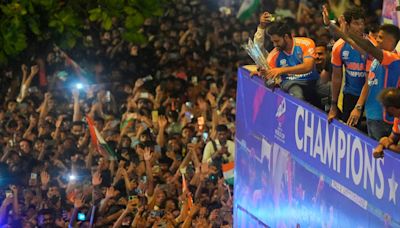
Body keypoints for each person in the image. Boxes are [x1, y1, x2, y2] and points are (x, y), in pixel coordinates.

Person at [323, 6, 400, 140]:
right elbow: (354, 43)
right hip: (373, 116)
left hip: (384, 119)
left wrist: (358, 107)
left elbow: (368, 47)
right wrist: (332, 26)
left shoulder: (393, 59)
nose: (378, 40)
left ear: (392, 41)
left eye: (381, 37)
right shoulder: (376, 57)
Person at [254, 12, 320, 105]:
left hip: (313, 80)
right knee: (297, 96)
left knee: (328, 90)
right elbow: (270, 84)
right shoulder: (273, 56)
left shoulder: (306, 43)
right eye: (273, 42)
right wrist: (266, 77)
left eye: (277, 41)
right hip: (291, 83)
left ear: (286, 37)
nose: (275, 45)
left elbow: (308, 66)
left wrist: (281, 70)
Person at [326, 6, 374, 130]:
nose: (360, 27)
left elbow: (369, 81)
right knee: (347, 131)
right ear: (347, 24)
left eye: (362, 23)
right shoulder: (339, 46)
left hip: (371, 96)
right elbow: (337, 77)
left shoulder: (371, 45)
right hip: (350, 94)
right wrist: (333, 105)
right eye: (356, 23)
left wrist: (358, 107)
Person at [372, 88, 400, 158]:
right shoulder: (397, 118)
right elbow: (393, 137)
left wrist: (387, 145)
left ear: (391, 109)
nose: (384, 111)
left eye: (384, 107)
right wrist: (381, 145)